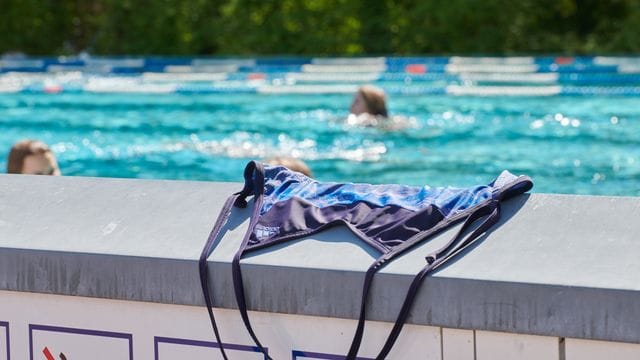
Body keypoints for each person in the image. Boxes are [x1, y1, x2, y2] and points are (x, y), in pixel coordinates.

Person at [347, 85, 416, 131]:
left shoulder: (364, 118)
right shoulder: (390, 120)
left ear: (370, 105)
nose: (352, 105)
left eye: (357, 101)